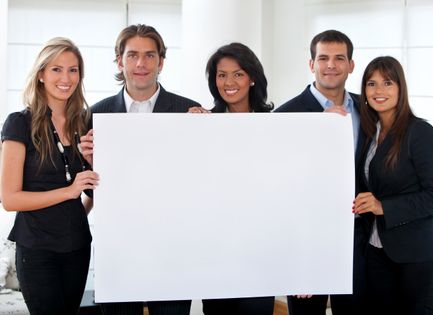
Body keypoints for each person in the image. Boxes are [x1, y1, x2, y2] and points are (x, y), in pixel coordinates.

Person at [80, 24, 200, 315]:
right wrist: (88, 162)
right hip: (118, 249)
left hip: (174, 247)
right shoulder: (94, 115)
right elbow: (88, 190)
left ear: (161, 61)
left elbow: (201, 182)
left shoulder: (190, 112)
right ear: (119, 61)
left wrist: (205, 137)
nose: (141, 64)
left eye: (149, 55)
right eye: (132, 55)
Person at [0, 37, 99, 315]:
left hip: (78, 247)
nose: (65, 78)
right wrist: (70, 192)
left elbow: (93, 189)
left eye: (73, 70)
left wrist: (90, 165)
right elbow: (9, 198)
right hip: (37, 251)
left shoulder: (84, 122)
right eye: (56, 69)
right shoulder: (19, 123)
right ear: (41, 74)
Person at [274, 30, 367, 315]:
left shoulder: (369, 109)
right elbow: (279, 185)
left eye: (340, 58)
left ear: (351, 65)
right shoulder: (285, 116)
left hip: (359, 241)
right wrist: (297, 261)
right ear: (311, 64)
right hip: (306, 241)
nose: (331, 65)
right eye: (323, 58)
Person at [353, 56, 433, 315]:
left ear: (400, 88)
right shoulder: (369, 133)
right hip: (375, 252)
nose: (378, 91)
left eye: (387, 83)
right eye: (371, 84)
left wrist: (384, 206)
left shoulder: (420, 133)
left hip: (417, 256)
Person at [189, 42, 274, 315]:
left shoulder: (276, 125)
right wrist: (186, 131)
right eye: (221, 75)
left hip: (259, 251)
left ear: (252, 78)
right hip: (216, 252)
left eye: (237, 74)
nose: (229, 82)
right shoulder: (202, 124)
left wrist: (329, 124)